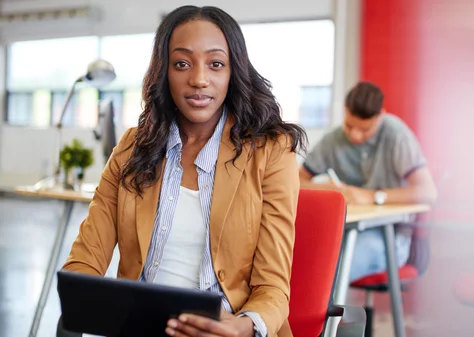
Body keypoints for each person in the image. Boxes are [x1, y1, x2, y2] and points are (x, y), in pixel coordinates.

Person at [61, 5, 307, 337]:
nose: (199, 79)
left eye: (216, 64)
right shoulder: (132, 148)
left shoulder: (271, 151)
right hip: (140, 328)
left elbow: (273, 287)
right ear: (164, 72)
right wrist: (85, 301)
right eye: (182, 64)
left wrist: (243, 327)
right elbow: (85, 260)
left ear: (234, 72)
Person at [299, 81, 437, 282]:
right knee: (305, 257)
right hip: (344, 232)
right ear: (345, 112)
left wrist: (372, 196)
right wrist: (324, 189)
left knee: (330, 268)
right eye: (350, 125)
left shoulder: (396, 135)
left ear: (380, 117)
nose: (355, 135)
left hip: (389, 238)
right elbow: (295, 181)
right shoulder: (333, 140)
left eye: (365, 130)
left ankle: (327, 313)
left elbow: (429, 193)